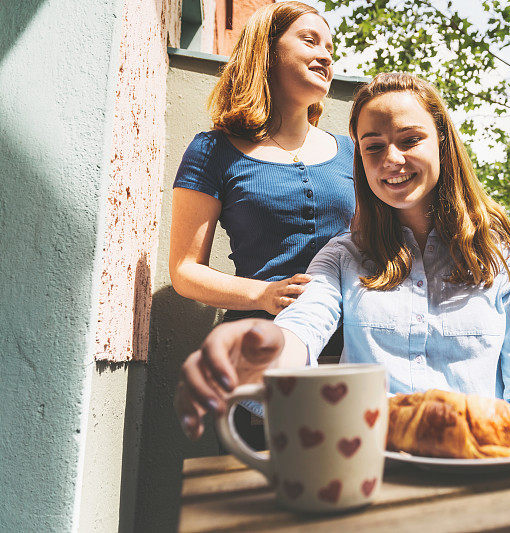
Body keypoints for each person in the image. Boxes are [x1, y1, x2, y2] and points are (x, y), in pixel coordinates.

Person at [175, 73, 510, 441]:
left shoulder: (502, 256)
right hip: (377, 467)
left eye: (410, 140)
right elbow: (301, 328)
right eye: (373, 146)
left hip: (485, 463)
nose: (391, 159)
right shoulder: (343, 256)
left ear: (442, 140)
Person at [169, 2, 355, 446]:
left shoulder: (352, 151)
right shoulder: (212, 150)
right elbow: (183, 270)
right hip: (259, 361)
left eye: (331, 47)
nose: (326, 55)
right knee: (263, 502)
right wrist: (263, 292)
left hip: (354, 354)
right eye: (310, 41)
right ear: (266, 51)